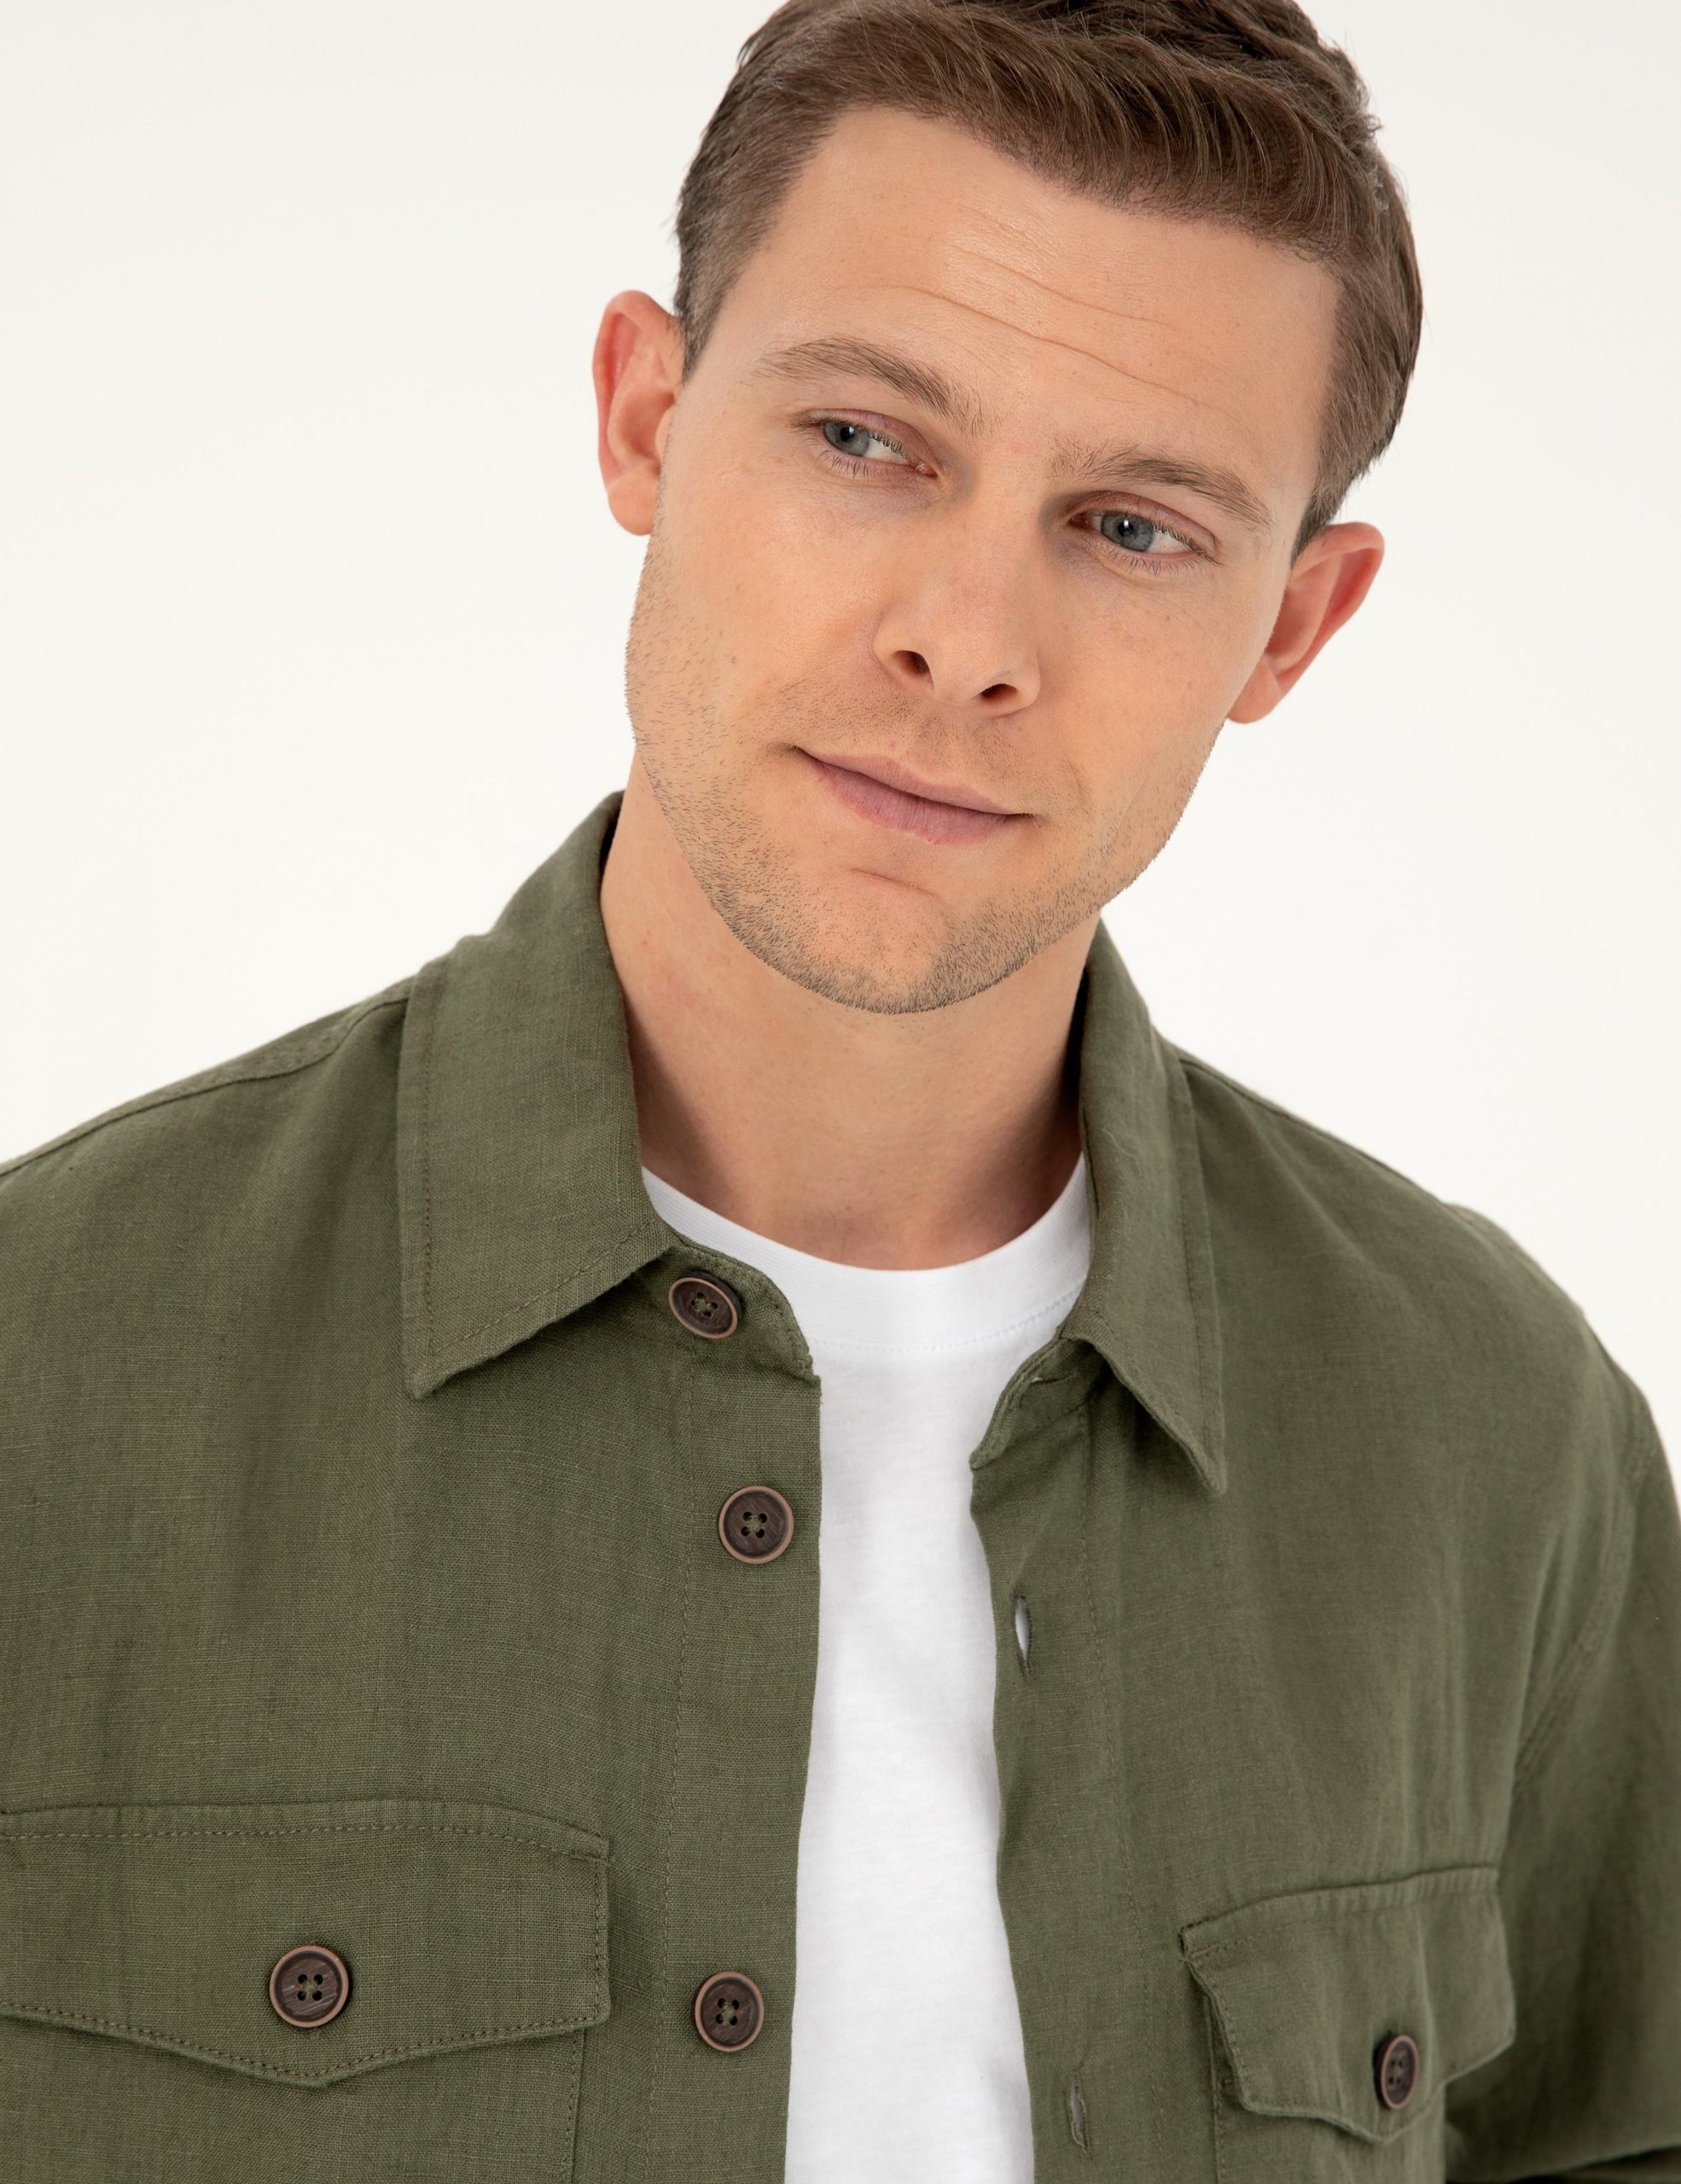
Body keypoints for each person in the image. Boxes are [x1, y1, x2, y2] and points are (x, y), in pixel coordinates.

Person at [2, 0, 1676, 2175]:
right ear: (644, 419)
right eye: (868, 439)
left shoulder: (1495, 1438)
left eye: (1134, 526)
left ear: (1293, 623)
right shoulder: (46, 1365)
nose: (965, 637)